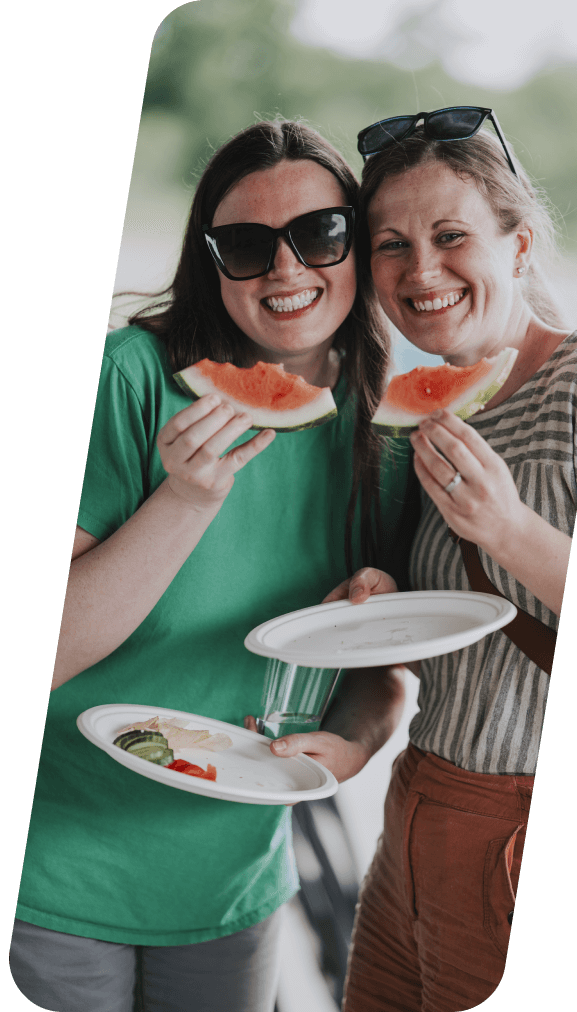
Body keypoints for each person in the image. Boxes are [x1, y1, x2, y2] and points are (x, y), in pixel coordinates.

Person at [10, 120, 412, 1012]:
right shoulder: (130, 377)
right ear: (211, 260)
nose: (285, 270)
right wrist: (185, 499)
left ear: (359, 239)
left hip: (236, 882)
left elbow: (380, 675)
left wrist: (349, 747)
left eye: (320, 233)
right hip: (57, 869)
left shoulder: (385, 430)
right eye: (245, 245)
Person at [321, 108, 577, 1012]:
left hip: (511, 827)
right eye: (390, 245)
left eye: (450, 237)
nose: (420, 271)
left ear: (517, 247)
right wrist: (382, 601)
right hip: (415, 800)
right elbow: (469, 636)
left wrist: (507, 527)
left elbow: (514, 557)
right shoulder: (426, 412)